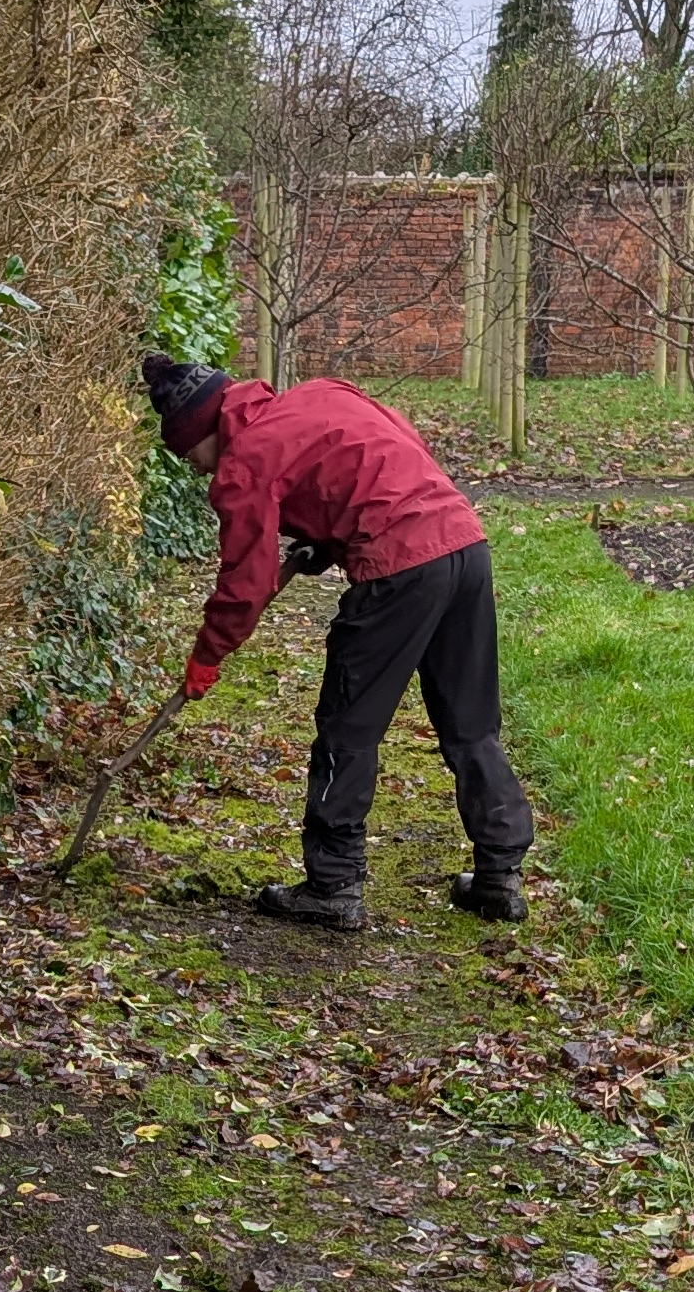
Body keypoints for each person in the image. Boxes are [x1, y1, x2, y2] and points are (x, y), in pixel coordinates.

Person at [141, 352, 536, 931]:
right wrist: (330, 540)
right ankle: (501, 876)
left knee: (346, 728)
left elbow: (244, 581)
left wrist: (208, 654)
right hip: (464, 542)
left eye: (189, 455)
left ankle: (333, 883)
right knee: (471, 721)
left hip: (399, 569)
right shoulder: (324, 393)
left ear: (203, 430)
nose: (198, 469)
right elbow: (390, 453)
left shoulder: (244, 462)